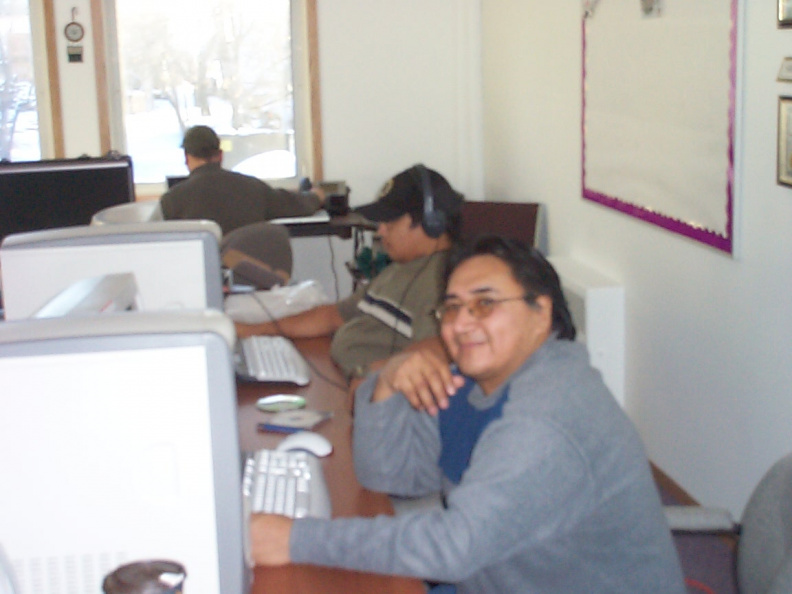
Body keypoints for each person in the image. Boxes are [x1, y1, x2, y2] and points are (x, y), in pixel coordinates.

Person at [249, 235, 686, 594]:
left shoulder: (548, 416)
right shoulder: (468, 382)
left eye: (485, 303)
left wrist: (295, 539)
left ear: (541, 312)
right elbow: (390, 477)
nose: (461, 323)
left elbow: (454, 548)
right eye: (452, 307)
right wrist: (388, 383)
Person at [235, 164, 465, 381]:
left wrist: (365, 382)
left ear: (431, 223)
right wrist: (253, 330)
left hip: (367, 392)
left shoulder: (446, 283)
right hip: (340, 375)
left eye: (390, 223)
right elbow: (332, 316)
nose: (380, 230)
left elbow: (435, 355)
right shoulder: (399, 269)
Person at [159, 125, 324, 235]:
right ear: (220, 155)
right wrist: (316, 196)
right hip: (249, 276)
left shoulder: (171, 200)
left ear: (187, 158)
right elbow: (296, 205)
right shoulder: (252, 188)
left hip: (199, 280)